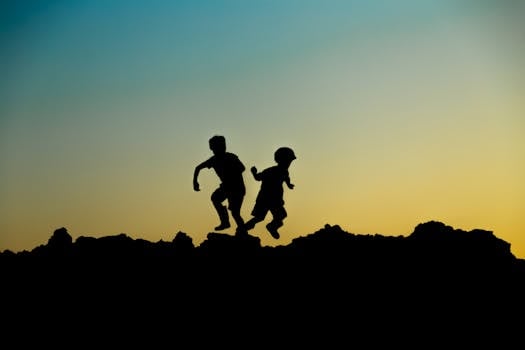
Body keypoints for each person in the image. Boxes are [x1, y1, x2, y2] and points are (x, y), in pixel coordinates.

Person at [193, 135, 247, 235]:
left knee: (235, 213)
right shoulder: (213, 160)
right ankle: (225, 221)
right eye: (215, 148)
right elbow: (198, 168)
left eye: (222, 147)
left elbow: (242, 168)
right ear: (212, 148)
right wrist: (195, 182)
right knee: (215, 198)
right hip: (226, 187)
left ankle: (242, 231)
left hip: (237, 188)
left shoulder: (231, 157)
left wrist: (231, 172)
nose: (219, 150)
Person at [244, 147, 296, 239]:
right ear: (280, 160)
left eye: (290, 162)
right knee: (259, 217)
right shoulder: (270, 171)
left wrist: (289, 184)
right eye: (288, 161)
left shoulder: (285, 172)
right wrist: (254, 172)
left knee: (281, 216)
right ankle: (243, 229)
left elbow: (286, 178)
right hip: (264, 198)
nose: (289, 164)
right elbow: (258, 178)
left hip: (275, 200)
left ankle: (272, 227)